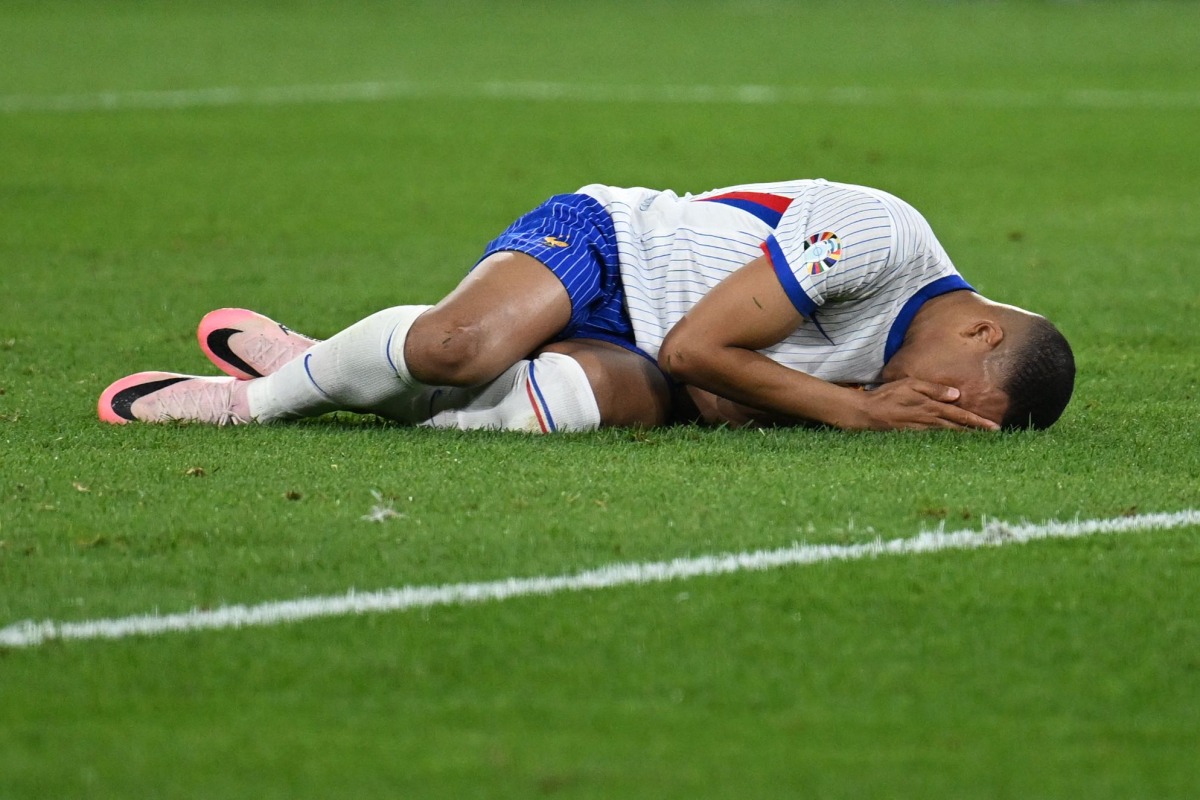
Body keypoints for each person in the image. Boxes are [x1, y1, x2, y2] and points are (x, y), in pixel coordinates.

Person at [98, 179, 1076, 432]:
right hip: (613, 248)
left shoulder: (900, 380)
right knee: (455, 347)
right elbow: (701, 348)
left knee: (539, 415)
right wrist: (856, 409)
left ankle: (325, 358)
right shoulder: (883, 236)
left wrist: (770, 397)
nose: (930, 412)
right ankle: (251, 401)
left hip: (658, 368)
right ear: (982, 333)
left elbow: (726, 392)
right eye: (957, 401)